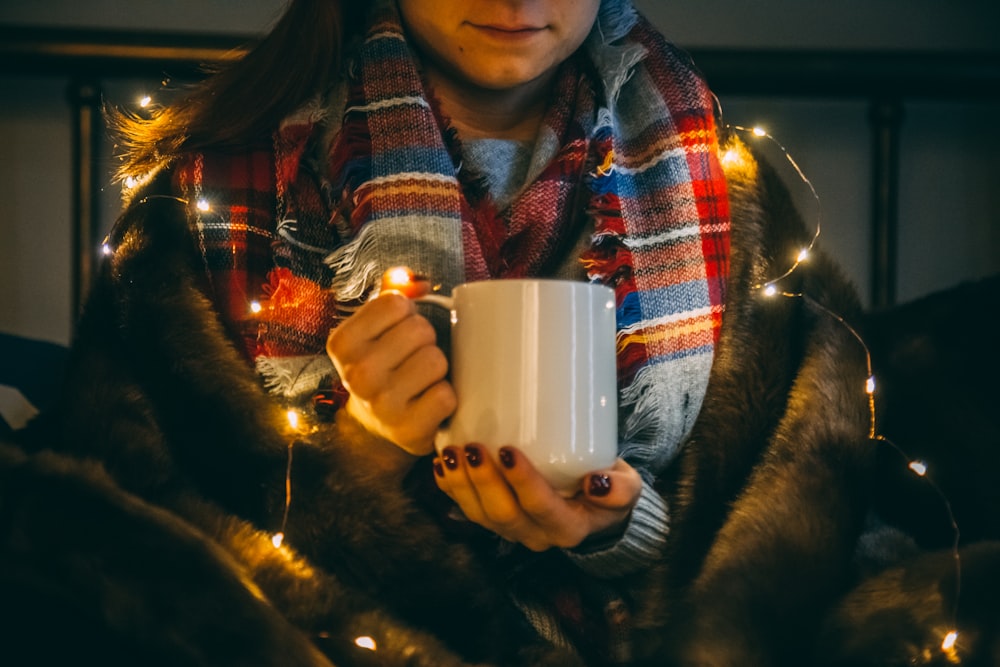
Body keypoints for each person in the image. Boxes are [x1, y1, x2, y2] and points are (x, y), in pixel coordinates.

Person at [8, 0, 993, 665]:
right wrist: (358, 453)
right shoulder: (219, 198)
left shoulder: (723, 190)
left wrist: (617, 526)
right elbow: (149, 532)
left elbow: (808, 498)